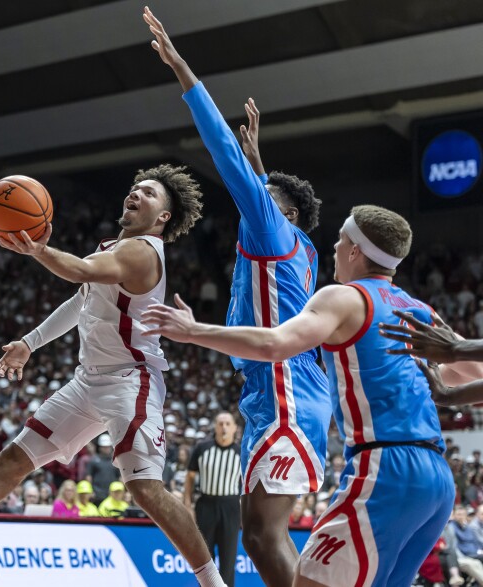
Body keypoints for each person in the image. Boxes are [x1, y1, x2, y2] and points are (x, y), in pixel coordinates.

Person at [0, 163, 227, 586]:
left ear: (163, 217)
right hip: (87, 381)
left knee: (145, 489)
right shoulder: (113, 246)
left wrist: (38, 250)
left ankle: (212, 583)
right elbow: (82, 298)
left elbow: (80, 270)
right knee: (14, 460)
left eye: (148, 193)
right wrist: (30, 342)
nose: (135, 193)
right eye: (135, 188)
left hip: (132, 380)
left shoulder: (143, 250)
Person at [142, 204, 456, 586]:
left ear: (355, 251)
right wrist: (449, 395)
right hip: (438, 479)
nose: (335, 249)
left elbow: (276, 343)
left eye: (340, 241)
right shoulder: (420, 311)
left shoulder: (344, 297)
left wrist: (193, 332)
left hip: (387, 467)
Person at [142, 8, 331, 586]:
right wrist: (260, 165)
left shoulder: (276, 232)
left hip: (286, 393)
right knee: (258, 534)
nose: (252, 199)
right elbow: (261, 195)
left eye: (262, 194)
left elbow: (222, 154)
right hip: (273, 392)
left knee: (262, 535)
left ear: (285, 212)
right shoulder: (296, 247)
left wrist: (181, 70)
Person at [186, 412, 242, 587]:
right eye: (220, 423)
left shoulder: (242, 452)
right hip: (206, 505)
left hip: (231, 507)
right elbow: (190, 476)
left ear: (234, 428)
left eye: (227, 423)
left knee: (228, 560)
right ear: (215, 427)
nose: (224, 427)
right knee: (204, 560)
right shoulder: (202, 448)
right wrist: (188, 504)